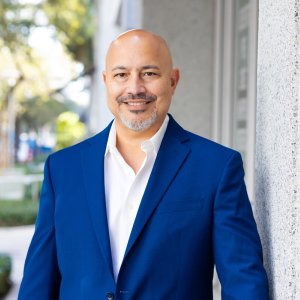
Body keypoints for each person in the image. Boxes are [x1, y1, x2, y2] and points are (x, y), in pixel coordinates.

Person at [18, 30, 270, 300]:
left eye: (149, 73)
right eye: (121, 75)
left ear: (173, 81)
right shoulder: (61, 169)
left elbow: (244, 285)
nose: (135, 88)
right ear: (106, 81)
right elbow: (37, 284)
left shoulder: (217, 168)